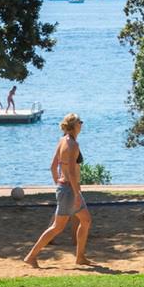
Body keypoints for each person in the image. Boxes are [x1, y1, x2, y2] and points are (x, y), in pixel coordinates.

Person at [24, 113, 93, 268]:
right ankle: (31, 256)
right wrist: (75, 193)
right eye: (80, 122)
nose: (82, 124)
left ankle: (80, 257)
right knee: (58, 227)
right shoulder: (73, 145)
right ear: (74, 126)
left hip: (66, 188)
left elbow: (53, 167)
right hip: (69, 190)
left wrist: (59, 184)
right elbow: (72, 173)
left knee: (86, 220)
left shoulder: (62, 140)